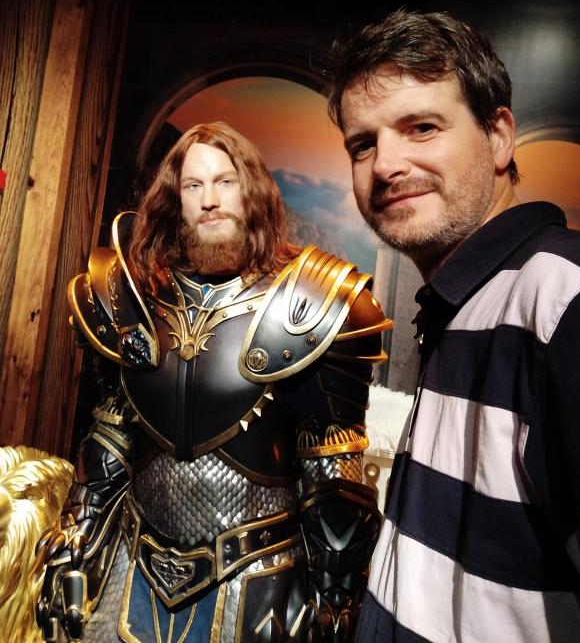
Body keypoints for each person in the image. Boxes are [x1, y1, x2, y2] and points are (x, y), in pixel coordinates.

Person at [36, 121, 389, 642]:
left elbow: (332, 467)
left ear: (252, 191)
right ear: (174, 200)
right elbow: (112, 433)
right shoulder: (132, 295)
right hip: (134, 568)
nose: (209, 200)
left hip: (260, 579)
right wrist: (76, 537)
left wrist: (336, 598)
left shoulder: (314, 302)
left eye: (225, 181)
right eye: (193, 185)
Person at [327, 9, 580, 642]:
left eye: (421, 127)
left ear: (499, 137)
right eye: (363, 144)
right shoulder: (466, 307)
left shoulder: (569, 303)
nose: (385, 164)